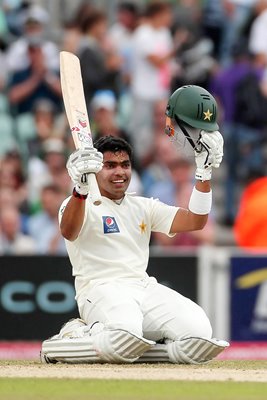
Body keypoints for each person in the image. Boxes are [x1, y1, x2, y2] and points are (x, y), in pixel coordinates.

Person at [41, 85, 228, 365]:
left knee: (199, 332)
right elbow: (68, 230)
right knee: (126, 329)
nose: (120, 172)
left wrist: (204, 173)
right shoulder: (77, 202)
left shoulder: (142, 206)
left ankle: (129, 343)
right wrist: (80, 188)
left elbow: (196, 220)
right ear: (95, 170)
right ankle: (73, 333)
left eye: (125, 165)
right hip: (99, 290)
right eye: (110, 165)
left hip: (142, 287)